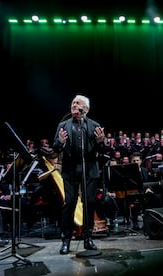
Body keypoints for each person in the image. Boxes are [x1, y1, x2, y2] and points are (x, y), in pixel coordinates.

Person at [52, 94, 106, 255]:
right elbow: (55, 147)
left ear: (86, 109)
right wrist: (60, 142)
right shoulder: (63, 125)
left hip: (89, 170)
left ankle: (88, 239)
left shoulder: (94, 125)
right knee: (69, 204)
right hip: (70, 170)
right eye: (73, 103)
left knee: (89, 203)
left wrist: (100, 142)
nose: (74, 105)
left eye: (78, 103)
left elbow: (102, 152)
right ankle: (66, 240)